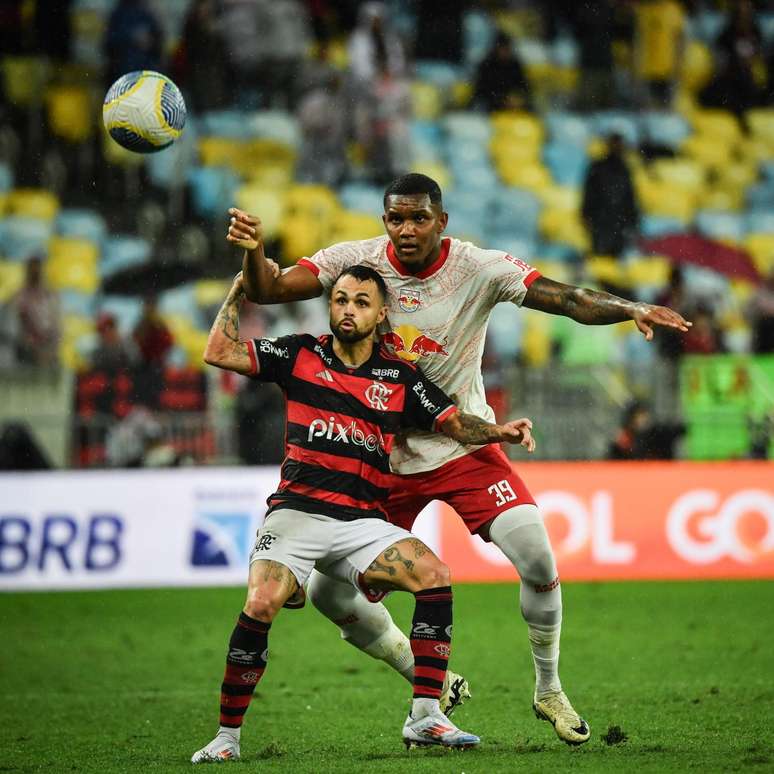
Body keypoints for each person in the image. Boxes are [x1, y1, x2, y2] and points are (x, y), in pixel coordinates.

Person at [226, 172, 691, 746]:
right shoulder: (357, 263)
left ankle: (548, 689)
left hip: (461, 440)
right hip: (382, 460)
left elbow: (566, 298)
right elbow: (268, 288)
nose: (406, 229)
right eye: (396, 218)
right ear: (385, 220)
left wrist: (627, 307)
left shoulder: (477, 268)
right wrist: (254, 254)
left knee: (539, 558)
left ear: (441, 221)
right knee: (327, 593)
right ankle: (427, 680)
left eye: (419, 218)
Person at [191, 265, 537, 761]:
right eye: (340, 300)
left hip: (361, 522)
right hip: (297, 514)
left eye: (360, 302)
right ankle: (227, 738)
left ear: (380, 314)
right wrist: (238, 287)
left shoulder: (399, 376)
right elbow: (218, 352)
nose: (348, 310)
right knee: (261, 604)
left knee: (435, 574)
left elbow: (454, 422)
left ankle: (426, 716)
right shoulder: (298, 353)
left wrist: (498, 431)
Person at [582, 134, 640, 259]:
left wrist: (632, 219)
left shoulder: (625, 169)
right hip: (601, 218)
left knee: (616, 255)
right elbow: (589, 193)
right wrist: (587, 214)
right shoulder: (598, 166)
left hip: (619, 220)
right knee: (600, 254)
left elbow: (630, 196)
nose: (618, 147)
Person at [10, 256, 61, 367]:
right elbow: (18, 324)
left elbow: (55, 323)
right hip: (28, 349)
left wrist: (52, 343)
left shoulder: (50, 294)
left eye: (38, 269)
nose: (36, 273)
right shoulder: (21, 296)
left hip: (48, 346)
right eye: (32, 269)